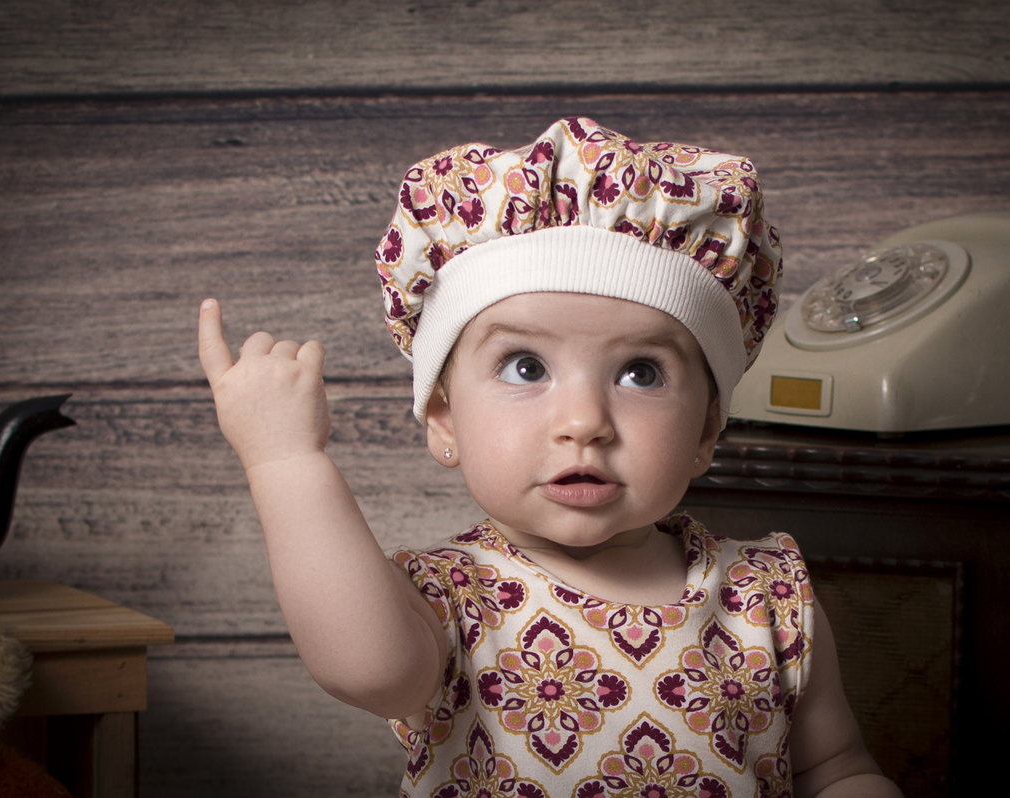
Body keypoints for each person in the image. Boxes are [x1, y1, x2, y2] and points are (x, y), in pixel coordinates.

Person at [198, 117, 903, 797]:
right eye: (526, 368)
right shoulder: (446, 602)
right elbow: (366, 668)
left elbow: (832, 768)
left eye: (642, 374)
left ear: (706, 431)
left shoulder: (767, 597)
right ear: (442, 418)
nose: (584, 422)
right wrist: (286, 461)